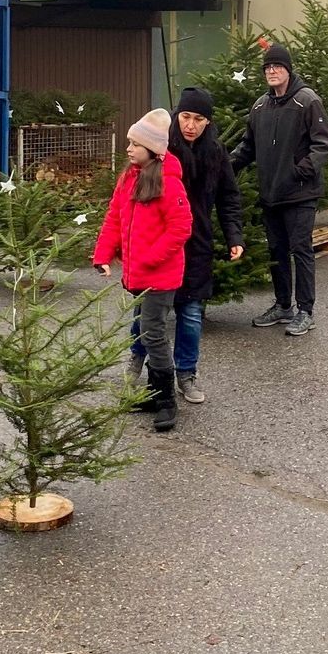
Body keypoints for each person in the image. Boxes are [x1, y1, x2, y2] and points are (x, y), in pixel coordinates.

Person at [126, 88, 244, 404]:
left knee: (191, 314)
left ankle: (186, 374)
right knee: (147, 309)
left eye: (199, 119)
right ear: (178, 116)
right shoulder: (162, 148)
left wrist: (235, 237)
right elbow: (131, 192)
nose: (191, 125)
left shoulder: (216, 153)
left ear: (208, 122)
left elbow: (229, 197)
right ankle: (136, 358)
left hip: (197, 246)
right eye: (186, 117)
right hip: (158, 244)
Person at [93, 108, 193, 432]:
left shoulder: (169, 183)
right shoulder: (128, 178)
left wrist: (148, 257)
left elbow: (181, 229)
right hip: (136, 276)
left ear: (153, 149)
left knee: (153, 334)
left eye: (135, 144)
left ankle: (166, 402)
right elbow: (114, 218)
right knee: (147, 332)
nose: (128, 149)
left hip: (160, 276)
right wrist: (103, 254)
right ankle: (154, 393)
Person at [229, 43, 328, 336]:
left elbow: (323, 144)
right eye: (267, 67)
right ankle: (283, 305)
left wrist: (299, 171)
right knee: (276, 251)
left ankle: (305, 311)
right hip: (271, 193)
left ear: (288, 69)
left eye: (277, 66)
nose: (272, 71)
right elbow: (247, 146)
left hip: (300, 193)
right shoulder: (260, 106)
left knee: (301, 250)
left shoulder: (307, 101)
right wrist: (226, 166)